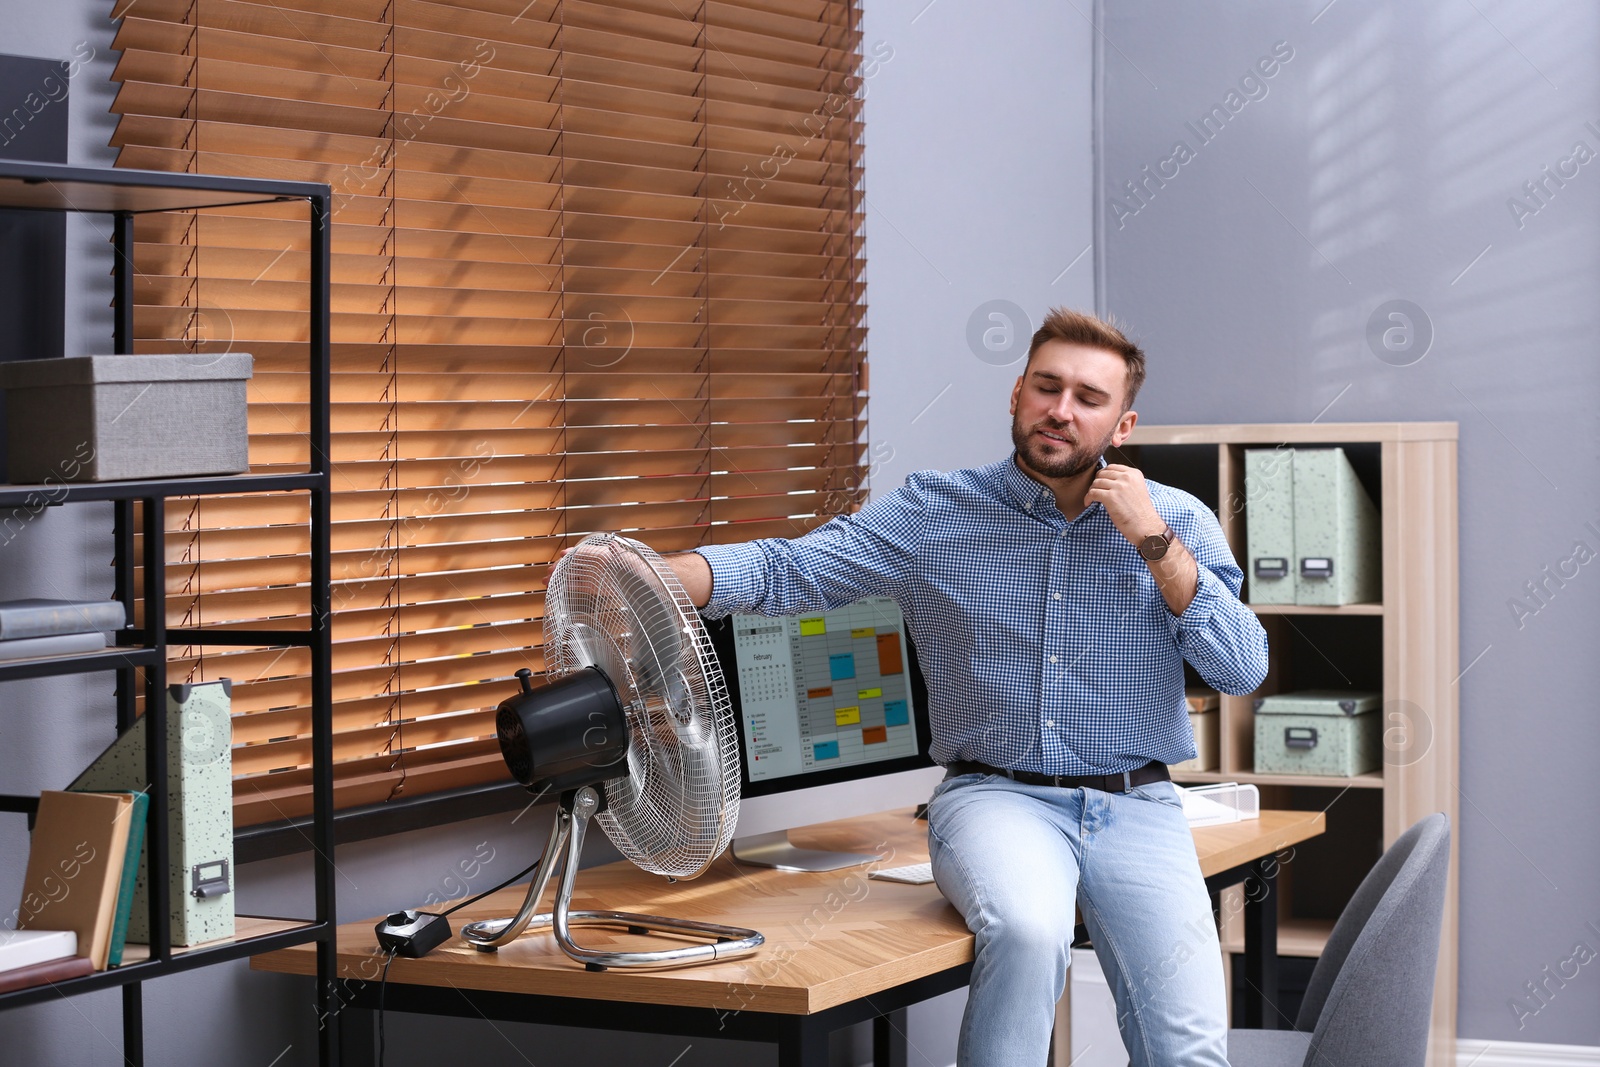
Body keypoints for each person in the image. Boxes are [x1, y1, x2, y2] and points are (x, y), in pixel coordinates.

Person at [662, 307, 1268, 1066]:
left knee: (1190, 1051)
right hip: (997, 797)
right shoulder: (936, 512)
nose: (1061, 409)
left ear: (1123, 423)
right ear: (1016, 394)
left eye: (1088, 397)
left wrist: (1150, 538)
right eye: (1047, 387)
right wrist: (655, 575)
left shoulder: (1175, 520)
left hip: (1138, 802)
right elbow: (796, 568)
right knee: (1024, 928)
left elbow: (1241, 667)